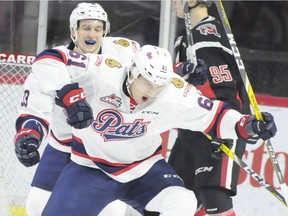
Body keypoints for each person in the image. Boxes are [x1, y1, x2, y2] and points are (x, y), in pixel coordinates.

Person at [14, 44, 277, 215]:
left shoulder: (174, 91)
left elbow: (216, 116)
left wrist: (248, 125)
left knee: (183, 201)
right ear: (132, 72)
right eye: (147, 82)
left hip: (144, 171)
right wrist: (68, 93)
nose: (152, 91)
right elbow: (50, 58)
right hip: (90, 169)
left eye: (158, 85)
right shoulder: (103, 72)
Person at [14, 2, 140, 215]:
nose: (92, 33)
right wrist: (29, 135)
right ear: (74, 30)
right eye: (86, 28)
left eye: (98, 29)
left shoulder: (121, 54)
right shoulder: (53, 63)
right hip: (63, 146)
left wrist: (181, 72)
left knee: (111, 210)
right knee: (36, 207)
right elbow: (35, 107)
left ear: (105, 32)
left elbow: (153, 75)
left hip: (102, 150)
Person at [169, 1, 252, 215]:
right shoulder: (184, 36)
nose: (173, 3)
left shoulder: (208, 32)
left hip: (218, 125)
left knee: (213, 194)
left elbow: (228, 88)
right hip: (191, 127)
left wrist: (233, 125)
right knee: (173, 196)